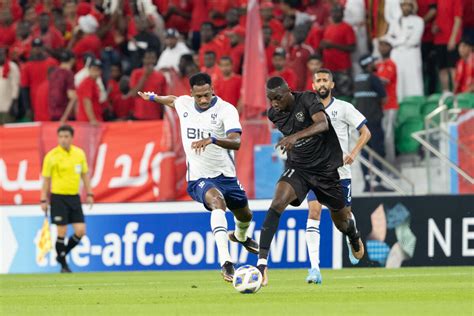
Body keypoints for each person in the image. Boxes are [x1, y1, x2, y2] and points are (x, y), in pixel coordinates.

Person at [137, 73, 259, 282]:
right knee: (217, 202)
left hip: (226, 175)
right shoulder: (184, 104)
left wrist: (212, 139)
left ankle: (240, 236)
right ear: (191, 93)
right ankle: (226, 262)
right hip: (198, 177)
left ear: (212, 89)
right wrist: (153, 98)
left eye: (206, 95)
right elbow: (173, 101)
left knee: (245, 215)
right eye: (198, 96)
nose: (203, 100)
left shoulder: (225, 110)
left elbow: (236, 141)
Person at [257, 76, 365, 286]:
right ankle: (262, 265)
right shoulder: (274, 114)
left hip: (326, 170)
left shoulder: (307, 99)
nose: (275, 104)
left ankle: (352, 233)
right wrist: (294, 144)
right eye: (271, 99)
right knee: (277, 203)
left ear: (289, 90)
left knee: (342, 222)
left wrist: (295, 137)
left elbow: (323, 124)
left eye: (278, 98)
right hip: (299, 168)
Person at [305, 69, 371, 284]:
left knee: (342, 219)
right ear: (313, 85)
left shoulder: (344, 108)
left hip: (340, 174)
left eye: (325, 80)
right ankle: (314, 268)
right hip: (315, 172)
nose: (322, 83)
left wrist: (353, 153)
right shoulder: (306, 110)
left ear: (332, 85)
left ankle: (352, 234)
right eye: (318, 80)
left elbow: (366, 132)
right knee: (314, 211)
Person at [40, 125, 93, 273]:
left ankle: (61, 255)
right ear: (58, 138)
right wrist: (43, 200)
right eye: (61, 137)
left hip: (74, 197)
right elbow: (46, 180)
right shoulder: (51, 156)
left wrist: (89, 193)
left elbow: (84, 175)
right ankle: (63, 265)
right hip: (58, 197)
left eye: (66, 136)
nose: (63, 140)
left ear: (71, 138)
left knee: (80, 231)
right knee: (61, 232)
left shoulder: (79, 154)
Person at [354, 54, 388, 192]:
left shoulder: (357, 79)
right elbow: (384, 98)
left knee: (365, 152)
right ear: (369, 65)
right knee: (378, 150)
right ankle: (378, 182)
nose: (375, 64)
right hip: (374, 119)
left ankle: (367, 183)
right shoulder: (373, 78)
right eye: (373, 62)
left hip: (361, 122)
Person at [386, 0, 424, 101]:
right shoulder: (395, 21)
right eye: (404, 5)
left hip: (411, 52)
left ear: (412, 7)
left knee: (413, 79)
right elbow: (389, 37)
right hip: (397, 53)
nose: (406, 8)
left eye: (408, 5)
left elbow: (414, 39)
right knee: (398, 78)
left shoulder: (418, 21)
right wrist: (401, 40)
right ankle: (399, 100)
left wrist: (397, 40)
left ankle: (416, 101)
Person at [320, 4, 356, 97]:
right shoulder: (328, 27)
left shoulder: (347, 28)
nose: (336, 14)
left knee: (345, 94)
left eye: (338, 12)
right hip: (329, 67)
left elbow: (352, 47)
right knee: (332, 95)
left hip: (342, 68)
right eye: (334, 12)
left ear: (342, 14)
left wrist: (332, 45)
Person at [433, 0, 463, 93]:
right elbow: (437, 16)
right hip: (439, 39)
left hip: (451, 39)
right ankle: (445, 93)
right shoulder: (438, 1)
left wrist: (453, 38)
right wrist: (434, 26)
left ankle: (456, 93)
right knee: (442, 69)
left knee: (453, 68)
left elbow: (458, 19)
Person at [129, 50, 168, 120]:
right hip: (139, 115)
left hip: (155, 116)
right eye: (148, 58)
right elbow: (134, 94)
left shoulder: (161, 76)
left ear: (156, 60)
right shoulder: (136, 73)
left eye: (152, 58)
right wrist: (145, 76)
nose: (150, 61)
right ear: (143, 60)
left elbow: (163, 98)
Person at [48, 50, 76, 122]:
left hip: (53, 113)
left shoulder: (54, 73)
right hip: (64, 115)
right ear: (72, 60)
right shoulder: (68, 74)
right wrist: (65, 117)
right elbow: (72, 97)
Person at [76, 58, 103, 125]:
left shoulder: (94, 83)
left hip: (91, 119)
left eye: (98, 69)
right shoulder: (88, 83)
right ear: (89, 69)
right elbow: (86, 101)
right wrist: (92, 120)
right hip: (87, 121)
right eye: (94, 69)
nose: (95, 71)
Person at [0, 47, 20, 124]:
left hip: (7, 106)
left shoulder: (12, 66)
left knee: (7, 130)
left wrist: (14, 102)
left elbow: (15, 85)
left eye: (2, 54)